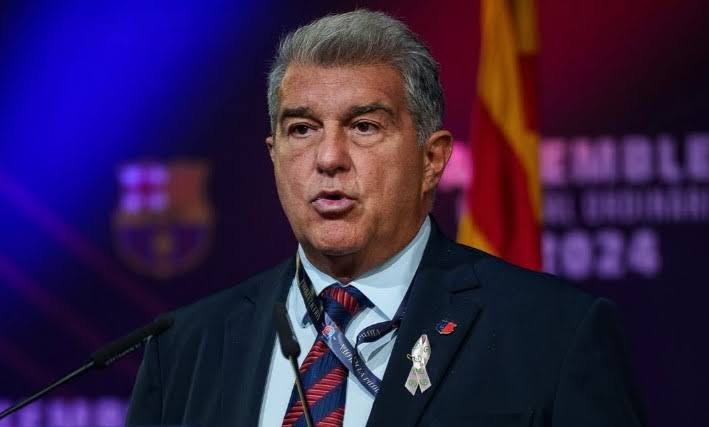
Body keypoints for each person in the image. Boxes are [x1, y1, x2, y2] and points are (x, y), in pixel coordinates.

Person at [126, 10, 645, 427]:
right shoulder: (185, 347)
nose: (329, 158)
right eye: (302, 129)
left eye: (364, 126)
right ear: (274, 154)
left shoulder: (551, 332)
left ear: (432, 159)